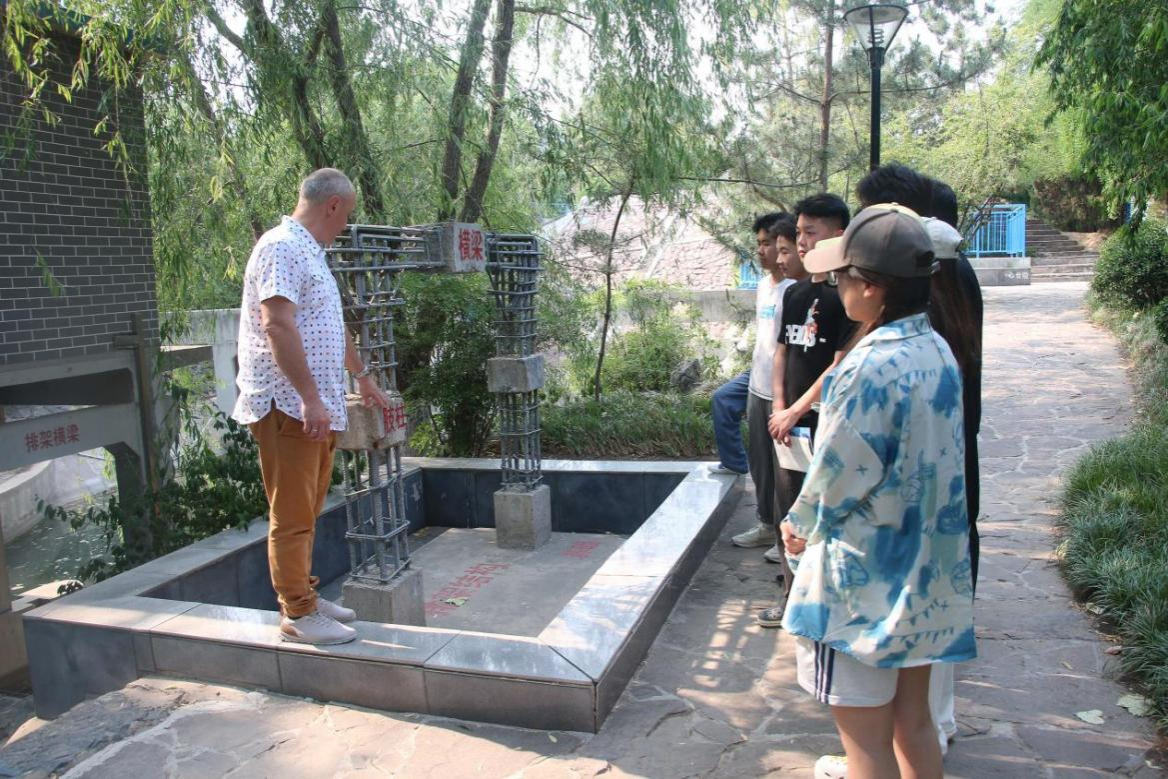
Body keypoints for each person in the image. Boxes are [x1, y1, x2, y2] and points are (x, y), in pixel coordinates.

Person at [780, 204, 976, 779]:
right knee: (915, 724)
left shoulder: (867, 367)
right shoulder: (937, 350)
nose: (835, 285)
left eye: (841, 275)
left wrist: (797, 526)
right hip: (926, 578)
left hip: (865, 585)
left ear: (870, 287)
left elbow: (840, 472)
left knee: (866, 746)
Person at [854, 165, 985, 762]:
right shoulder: (950, 267)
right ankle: (933, 725)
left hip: (921, 465)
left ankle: (924, 731)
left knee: (919, 597)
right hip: (948, 454)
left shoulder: (928, 281)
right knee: (935, 588)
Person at [232, 168, 390, 646]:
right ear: (333, 205)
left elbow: (329, 325)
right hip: (288, 406)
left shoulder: (309, 252)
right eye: (347, 215)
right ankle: (298, 613)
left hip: (313, 406)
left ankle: (307, 596)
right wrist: (309, 398)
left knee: (307, 511)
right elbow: (277, 324)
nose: (346, 225)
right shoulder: (281, 246)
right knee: (293, 515)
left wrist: (362, 377)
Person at [758, 194, 852, 629]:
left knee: (823, 514)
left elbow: (838, 364)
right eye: (798, 232)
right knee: (788, 511)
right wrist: (779, 407)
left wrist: (796, 410)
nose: (800, 242)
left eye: (810, 232)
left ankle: (823, 600)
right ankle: (790, 595)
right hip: (786, 428)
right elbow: (782, 351)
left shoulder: (847, 296)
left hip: (822, 423)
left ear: (838, 234)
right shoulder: (794, 292)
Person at [722, 213, 795, 558]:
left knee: (786, 469)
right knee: (761, 464)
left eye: (769, 244)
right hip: (757, 385)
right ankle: (767, 525)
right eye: (760, 244)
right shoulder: (765, 286)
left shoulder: (795, 290)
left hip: (784, 392)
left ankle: (787, 534)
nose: (762, 251)